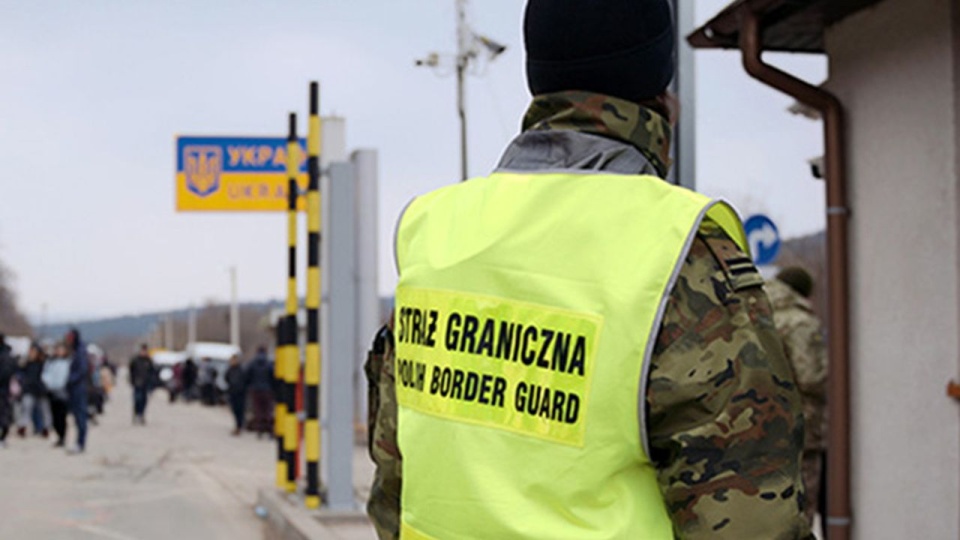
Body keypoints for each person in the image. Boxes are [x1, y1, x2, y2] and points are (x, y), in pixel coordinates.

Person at [365, 1, 810, 538]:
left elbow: (395, 478)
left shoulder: (432, 230)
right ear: (661, 94)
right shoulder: (678, 250)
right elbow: (747, 519)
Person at [765, 266, 828, 528]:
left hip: (756, 425)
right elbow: (812, 377)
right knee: (800, 511)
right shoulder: (799, 322)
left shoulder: (752, 314)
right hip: (799, 428)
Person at [17, 343, 50, 437]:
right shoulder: (26, 363)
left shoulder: (43, 363)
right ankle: (22, 427)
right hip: (29, 389)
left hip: (40, 390)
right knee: (26, 408)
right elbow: (20, 372)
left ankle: (45, 428)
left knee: (43, 410)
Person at [64, 329, 88, 454]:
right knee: (76, 417)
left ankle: (80, 442)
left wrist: (71, 379)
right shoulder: (74, 351)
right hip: (74, 388)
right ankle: (79, 442)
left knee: (80, 416)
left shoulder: (80, 351)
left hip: (79, 388)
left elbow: (82, 370)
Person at [44, 343, 72, 448]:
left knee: (62, 416)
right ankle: (58, 435)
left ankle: (62, 437)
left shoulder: (68, 362)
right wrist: (48, 383)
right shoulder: (50, 362)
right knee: (54, 416)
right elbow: (45, 374)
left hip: (63, 392)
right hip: (52, 391)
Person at [243, 346, 273, 438]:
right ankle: (270, 430)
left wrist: (248, 386)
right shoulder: (269, 363)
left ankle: (260, 431)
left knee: (258, 410)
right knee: (268, 411)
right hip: (267, 390)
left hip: (255, 390)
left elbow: (246, 375)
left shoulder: (252, 363)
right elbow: (273, 375)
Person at [128, 344, 154, 425]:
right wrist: (132, 381)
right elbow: (131, 371)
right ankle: (136, 414)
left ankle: (141, 414)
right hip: (137, 383)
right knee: (137, 399)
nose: (144, 352)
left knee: (144, 400)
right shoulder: (135, 360)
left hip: (146, 383)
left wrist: (151, 382)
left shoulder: (149, 361)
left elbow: (152, 372)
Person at [0, 335, 16, 448]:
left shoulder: (5, 356)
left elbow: (5, 374)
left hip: (3, 390)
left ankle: (3, 437)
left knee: (4, 413)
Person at [225, 354, 246, 435]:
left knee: (240, 410)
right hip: (232, 392)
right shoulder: (230, 370)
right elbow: (226, 377)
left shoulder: (241, 369)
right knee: (235, 410)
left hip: (240, 393)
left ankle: (239, 426)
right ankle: (238, 425)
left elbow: (245, 380)